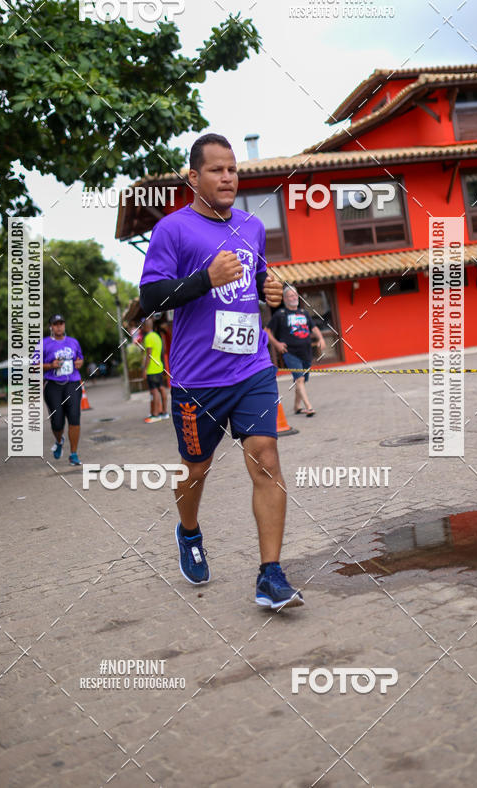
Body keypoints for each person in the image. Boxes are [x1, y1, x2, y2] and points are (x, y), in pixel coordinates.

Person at [140, 133, 304, 610]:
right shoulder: (173, 230)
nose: (228, 177)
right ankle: (188, 531)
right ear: (194, 177)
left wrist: (272, 294)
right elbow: (150, 298)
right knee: (196, 468)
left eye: (232, 169)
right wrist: (203, 279)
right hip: (197, 379)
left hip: (252, 369)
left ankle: (270, 575)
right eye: (217, 170)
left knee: (266, 457)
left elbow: (258, 282)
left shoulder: (252, 226)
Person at [265, 285, 326, 416]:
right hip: (290, 353)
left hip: (306, 352)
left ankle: (296, 406)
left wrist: (321, 338)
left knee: (301, 380)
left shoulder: (304, 313)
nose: (294, 298)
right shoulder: (280, 314)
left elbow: (314, 328)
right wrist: (277, 344)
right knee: (300, 379)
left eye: (295, 295)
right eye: (290, 296)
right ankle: (309, 407)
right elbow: (267, 331)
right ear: (285, 299)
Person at [37, 314, 84, 465]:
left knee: (74, 418)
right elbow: (34, 365)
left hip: (72, 383)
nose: (59, 327)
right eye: (55, 324)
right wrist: (50, 365)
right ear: (51, 327)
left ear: (64, 325)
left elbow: (80, 358)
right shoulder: (43, 343)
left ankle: (74, 454)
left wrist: (79, 363)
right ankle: (59, 441)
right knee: (57, 422)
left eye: (61, 323)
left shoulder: (73, 342)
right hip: (52, 385)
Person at [141, 317, 169, 423]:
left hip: (151, 369)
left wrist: (144, 369)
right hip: (159, 366)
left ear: (145, 326)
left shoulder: (148, 338)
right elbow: (163, 351)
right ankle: (164, 412)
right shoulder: (157, 336)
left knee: (154, 391)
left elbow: (148, 355)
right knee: (161, 388)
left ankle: (156, 414)